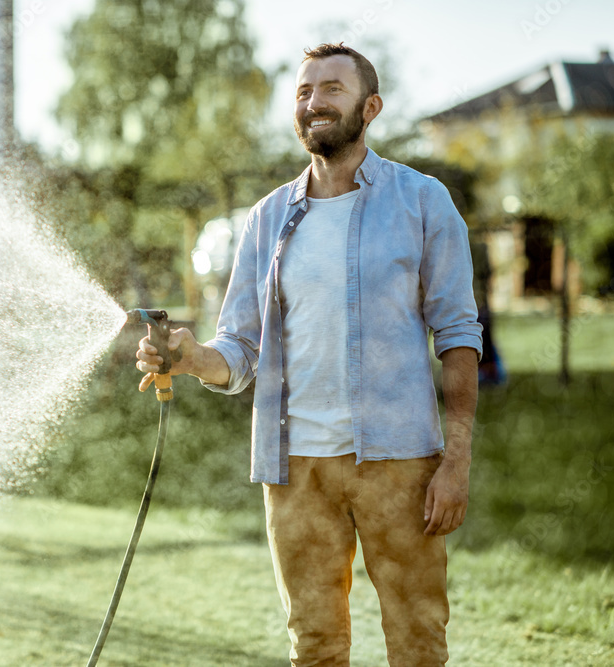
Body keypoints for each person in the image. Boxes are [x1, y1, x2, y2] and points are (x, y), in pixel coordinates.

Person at [136, 43, 482, 667]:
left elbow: (458, 337)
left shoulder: (423, 202)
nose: (314, 102)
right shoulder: (267, 218)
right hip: (295, 468)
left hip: (399, 462)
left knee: (418, 639)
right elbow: (239, 349)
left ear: (370, 106)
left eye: (331, 89)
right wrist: (189, 358)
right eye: (303, 92)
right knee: (314, 644)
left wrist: (454, 461)